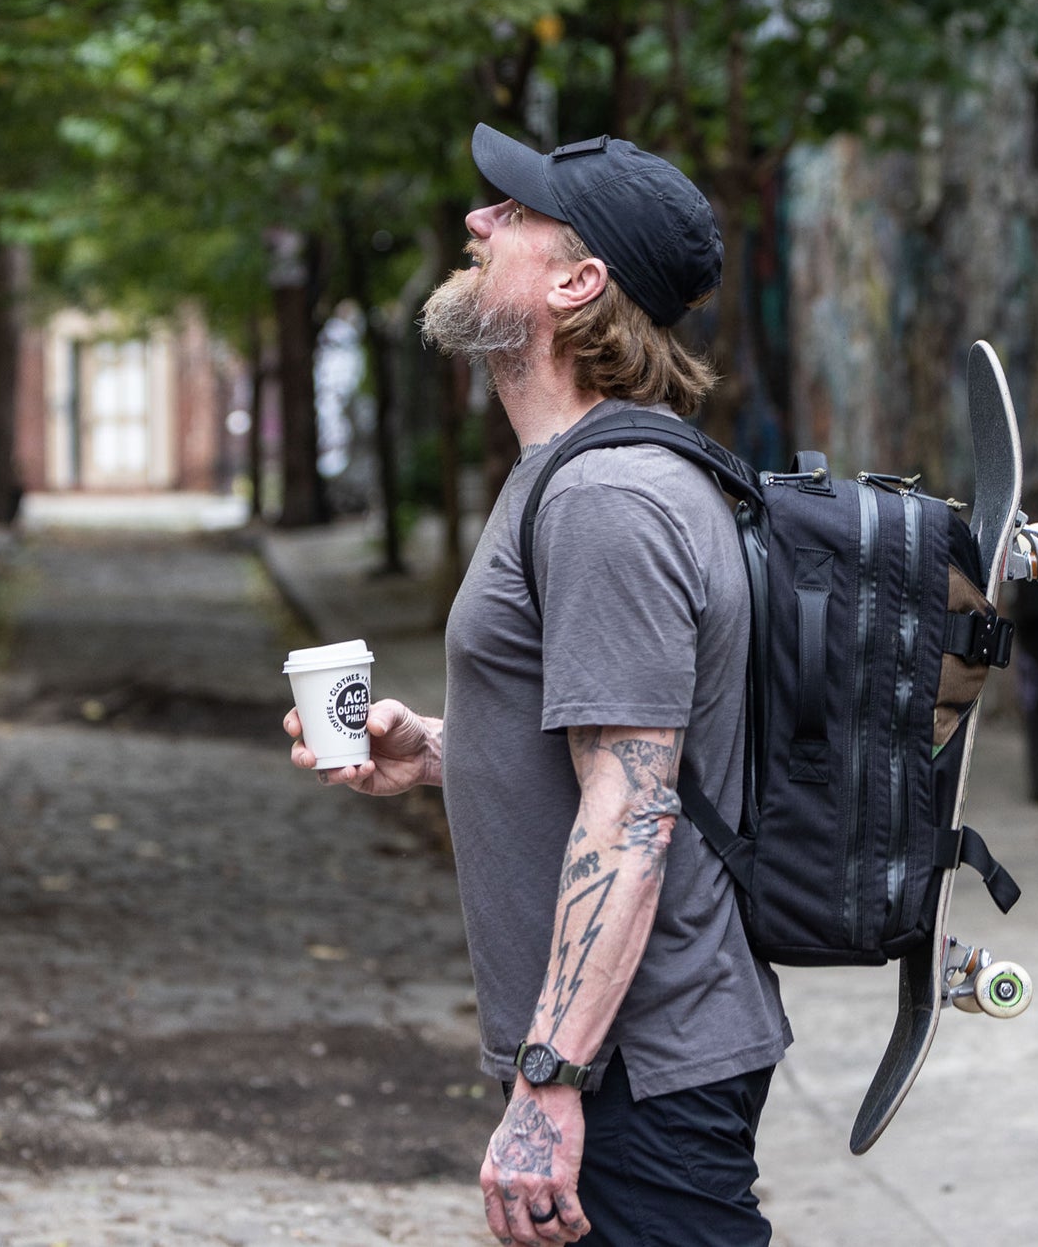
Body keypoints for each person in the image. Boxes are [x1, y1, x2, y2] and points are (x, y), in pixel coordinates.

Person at [284, 124, 790, 1247]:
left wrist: (550, 1080)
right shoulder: (569, 474)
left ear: (577, 282)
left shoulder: (607, 499)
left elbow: (635, 805)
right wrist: (444, 750)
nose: (477, 220)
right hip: (623, 1055)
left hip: (638, 1067)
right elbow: (613, 751)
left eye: (510, 212)